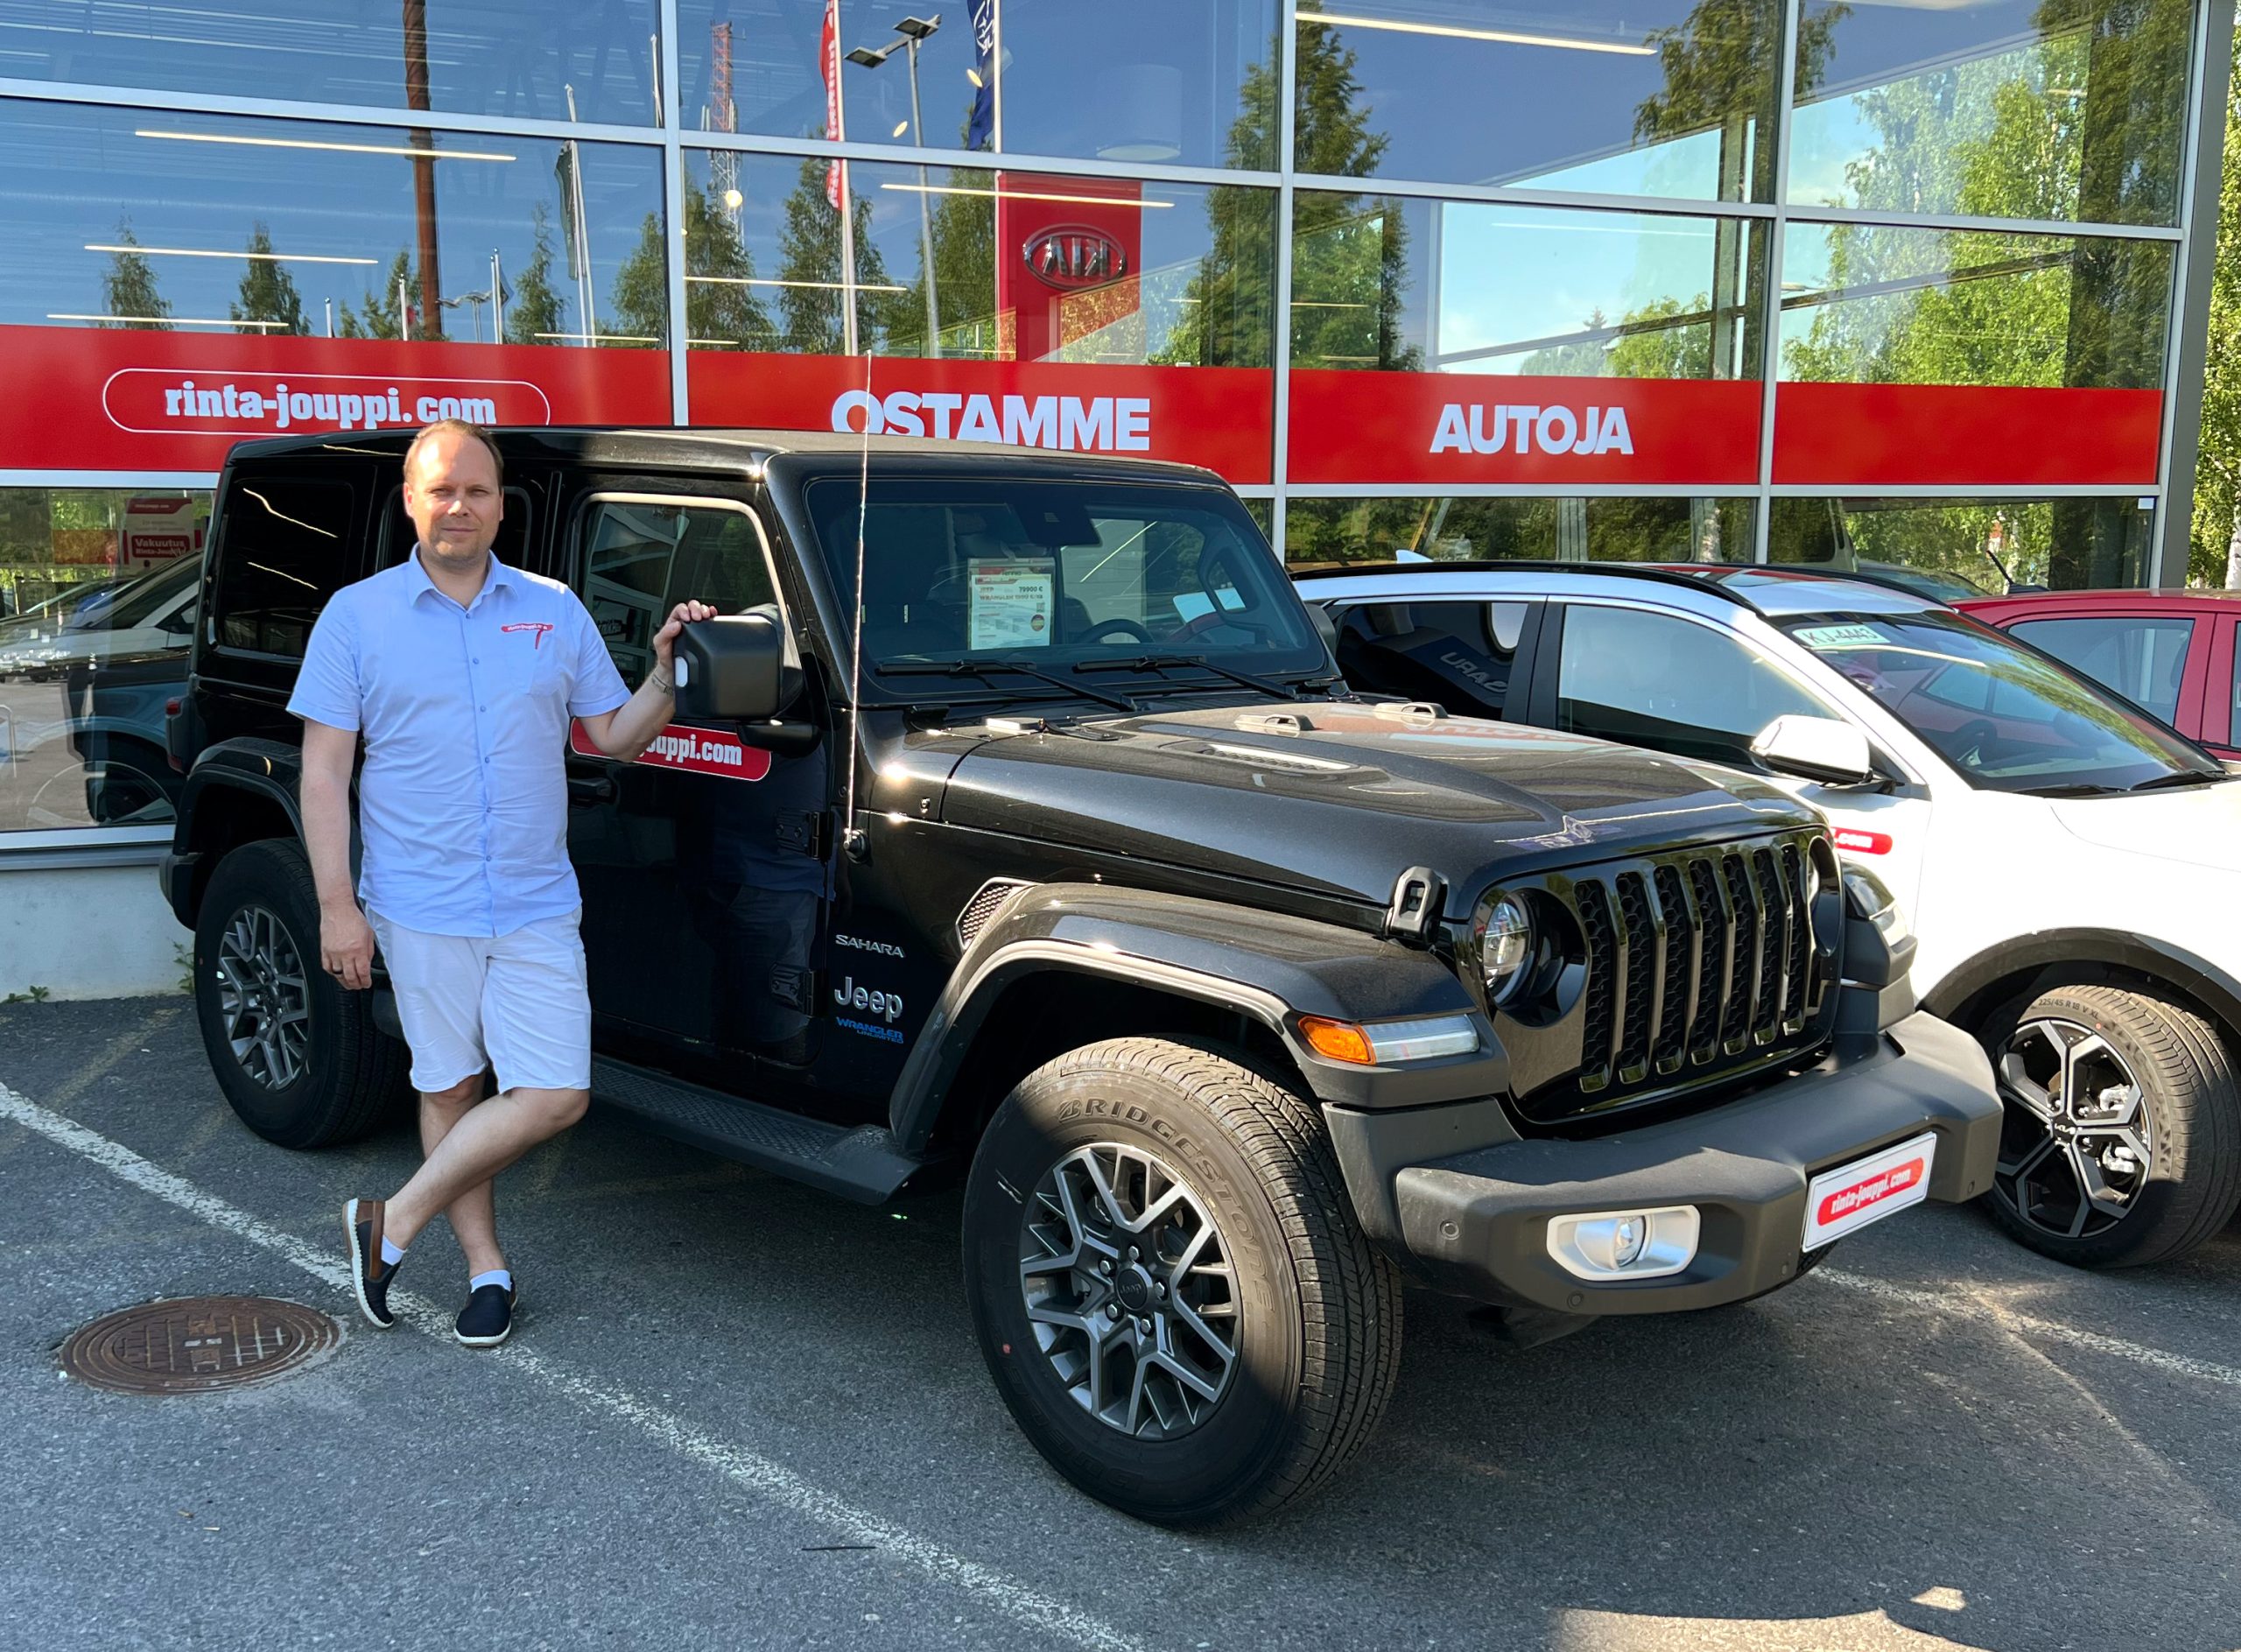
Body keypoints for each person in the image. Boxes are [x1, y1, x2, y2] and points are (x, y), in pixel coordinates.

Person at [291, 419, 712, 1347]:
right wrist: (336, 904)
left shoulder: (553, 609)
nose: (459, 507)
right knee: (449, 1088)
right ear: (411, 500)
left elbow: (610, 734)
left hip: (532, 899)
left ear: (499, 503)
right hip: (417, 898)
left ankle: (388, 1221)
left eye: (476, 491)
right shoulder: (356, 617)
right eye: (440, 490)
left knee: (557, 1093)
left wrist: (670, 674)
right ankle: (487, 1270)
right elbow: (322, 774)